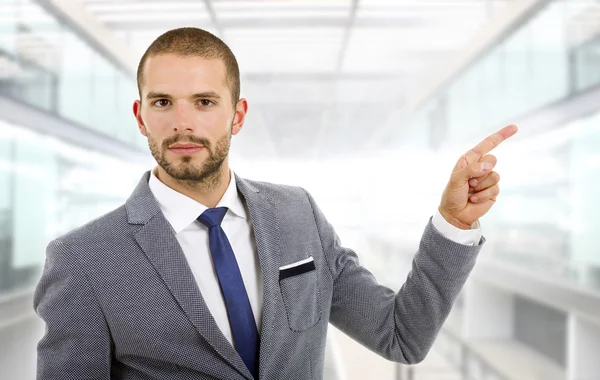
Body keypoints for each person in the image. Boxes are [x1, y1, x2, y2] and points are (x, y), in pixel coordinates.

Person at [33, 27, 518, 380]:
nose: (183, 123)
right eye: (163, 103)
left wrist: (454, 223)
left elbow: (401, 337)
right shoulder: (83, 259)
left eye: (204, 102)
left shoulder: (297, 215)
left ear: (237, 114)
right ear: (140, 116)